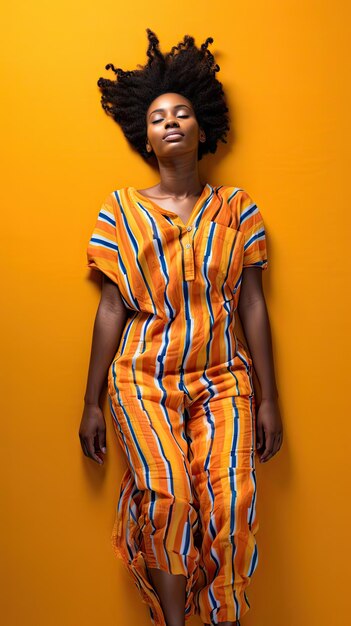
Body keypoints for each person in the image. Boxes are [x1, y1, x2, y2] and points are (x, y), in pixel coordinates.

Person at [79, 28, 283, 626]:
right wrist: (90, 402)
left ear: (202, 128)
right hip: (141, 378)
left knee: (235, 498)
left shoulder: (237, 209)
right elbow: (112, 308)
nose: (171, 122)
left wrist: (270, 398)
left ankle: (224, 615)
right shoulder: (119, 211)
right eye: (158, 117)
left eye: (183, 113)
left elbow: (253, 304)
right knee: (168, 497)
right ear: (145, 137)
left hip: (225, 378)